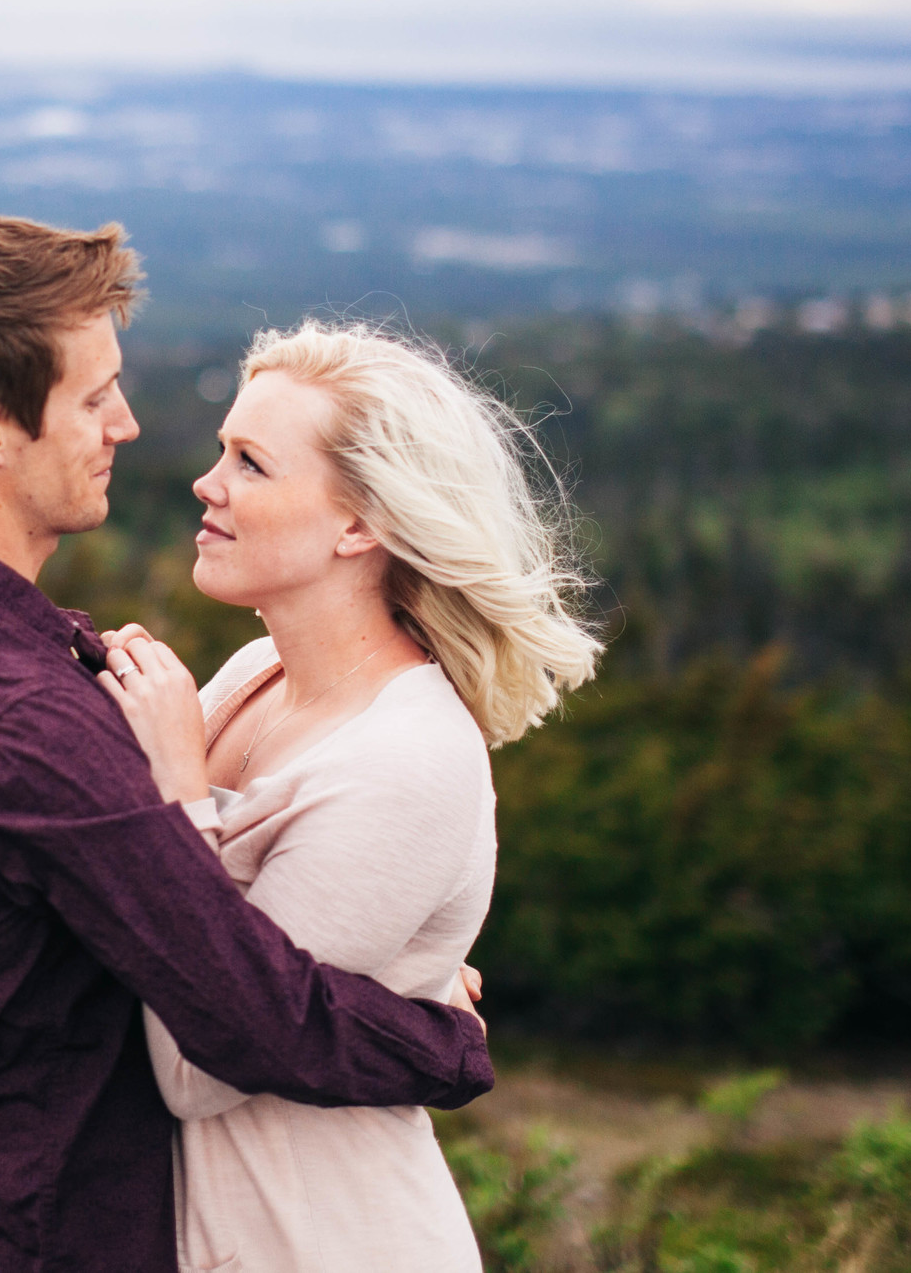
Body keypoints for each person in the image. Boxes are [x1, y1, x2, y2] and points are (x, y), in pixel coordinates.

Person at [0, 212, 495, 1273]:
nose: (128, 425)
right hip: (45, 1228)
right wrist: (432, 1033)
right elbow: (250, 1014)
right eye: (93, 397)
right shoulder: (15, 716)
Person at [97, 319, 602, 1273]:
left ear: (361, 523)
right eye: (221, 453)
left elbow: (197, 1063)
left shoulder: (411, 758)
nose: (208, 487)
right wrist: (401, 1009)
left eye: (251, 463)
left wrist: (171, 788)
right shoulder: (254, 672)